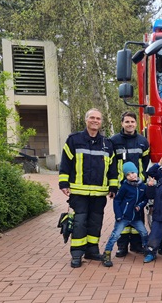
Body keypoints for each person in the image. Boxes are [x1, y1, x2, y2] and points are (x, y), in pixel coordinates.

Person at [59, 108, 118, 268]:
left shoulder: (107, 143)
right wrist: (63, 183)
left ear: (101, 122)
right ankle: (77, 254)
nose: (95, 120)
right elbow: (65, 163)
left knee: (95, 222)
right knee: (79, 223)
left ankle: (92, 251)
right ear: (86, 120)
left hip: (99, 193)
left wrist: (113, 186)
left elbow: (113, 168)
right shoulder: (74, 140)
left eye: (98, 118)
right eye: (92, 117)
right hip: (79, 192)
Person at [110, 111, 150, 258]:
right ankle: (122, 246)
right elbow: (111, 165)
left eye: (132, 122)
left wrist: (143, 178)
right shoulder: (114, 141)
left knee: (138, 215)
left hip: (138, 187)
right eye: (127, 122)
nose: (130, 124)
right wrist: (113, 185)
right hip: (122, 186)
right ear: (122, 123)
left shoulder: (142, 141)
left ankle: (136, 244)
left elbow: (146, 162)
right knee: (122, 216)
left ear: (136, 123)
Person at [102, 162, 149, 267]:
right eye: (128, 174)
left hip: (136, 217)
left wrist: (140, 206)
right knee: (115, 235)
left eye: (133, 172)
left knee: (144, 233)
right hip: (124, 217)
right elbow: (117, 201)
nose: (131, 175)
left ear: (136, 172)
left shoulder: (142, 186)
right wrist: (118, 215)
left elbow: (145, 199)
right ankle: (107, 253)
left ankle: (147, 249)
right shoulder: (124, 186)